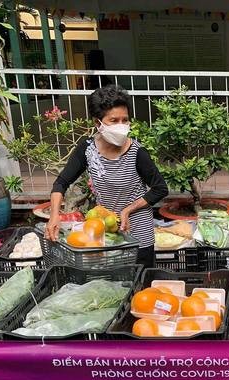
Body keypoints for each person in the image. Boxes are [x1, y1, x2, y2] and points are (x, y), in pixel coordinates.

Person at [45, 85, 168, 268]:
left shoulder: (137, 153)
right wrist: (55, 215)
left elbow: (160, 188)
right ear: (98, 123)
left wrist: (128, 210)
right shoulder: (88, 150)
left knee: (140, 285)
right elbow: (61, 182)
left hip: (138, 233)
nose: (121, 126)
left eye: (125, 120)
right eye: (114, 120)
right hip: (107, 231)